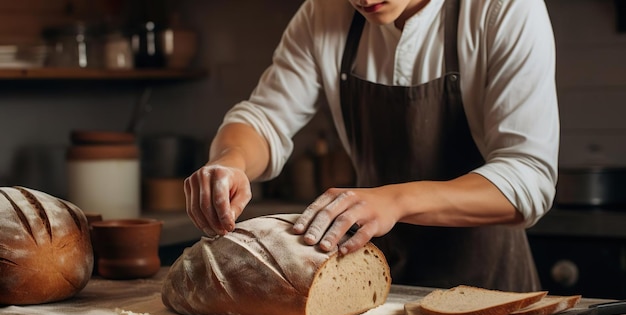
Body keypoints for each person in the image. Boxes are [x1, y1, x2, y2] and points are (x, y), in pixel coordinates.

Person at [184, 0, 559, 292]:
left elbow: (527, 177)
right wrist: (231, 161)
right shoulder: (323, 13)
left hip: (489, 293)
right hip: (376, 290)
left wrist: (395, 200)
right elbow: (264, 118)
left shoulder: (502, 10)